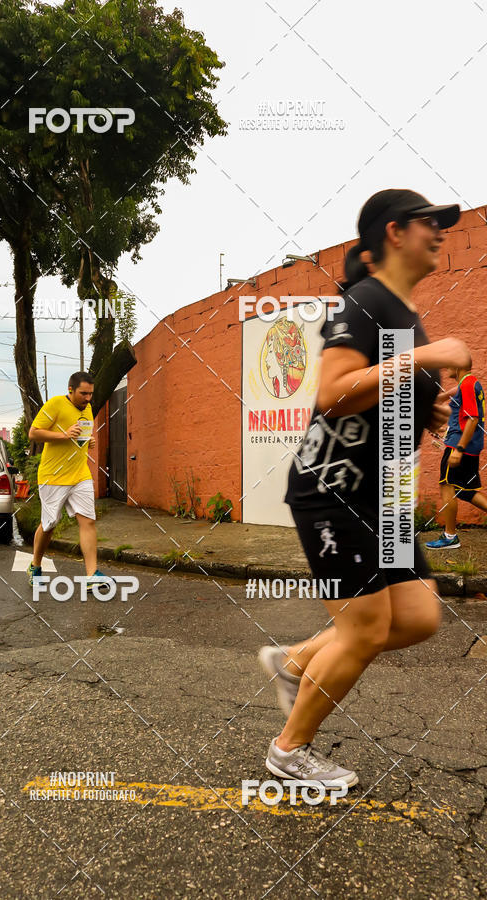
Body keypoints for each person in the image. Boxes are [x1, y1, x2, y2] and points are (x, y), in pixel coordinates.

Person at [258, 189, 472, 788]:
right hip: (334, 490)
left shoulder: (405, 312)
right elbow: (331, 391)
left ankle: (295, 661)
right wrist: (429, 355)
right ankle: (288, 752)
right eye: (431, 223)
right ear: (395, 233)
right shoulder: (367, 300)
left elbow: (383, 398)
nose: (441, 233)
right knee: (367, 629)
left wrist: (426, 412)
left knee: (419, 615)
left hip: (384, 497)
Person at [26, 371, 108, 589]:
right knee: (50, 524)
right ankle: (35, 565)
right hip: (53, 476)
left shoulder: (88, 408)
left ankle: (92, 576)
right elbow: (33, 433)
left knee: (87, 520)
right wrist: (64, 435)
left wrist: (87, 441)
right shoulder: (55, 404)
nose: (88, 398)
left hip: (80, 474)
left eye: (91, 393)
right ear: (70, 390)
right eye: (83, 393)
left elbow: (78, 436)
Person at [426, 365, 486, 549]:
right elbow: (456, 409)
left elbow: (472, 418)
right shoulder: (469, 383)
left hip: (459, 446)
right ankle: (450, 536)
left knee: (447, 486)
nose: (446, 367)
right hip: (467, 444)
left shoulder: (467, 384)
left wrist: (458, 448)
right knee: (466, 491)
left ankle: (450, 536)